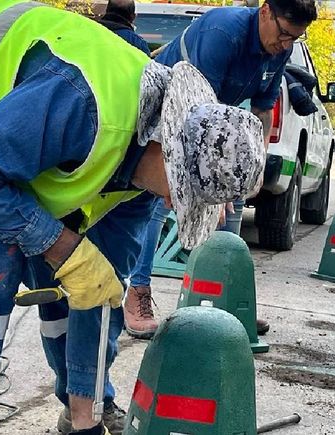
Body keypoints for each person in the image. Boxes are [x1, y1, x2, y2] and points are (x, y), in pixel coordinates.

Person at [0, 1, 264, 434]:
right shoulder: (84, 104)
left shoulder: (143, 184)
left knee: (76, 270)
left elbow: (97, 288)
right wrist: (59, 243)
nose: (173, 206)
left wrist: (87, 419)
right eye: (182, 193)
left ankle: (78, 407)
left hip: (9, 99)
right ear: (166, 150)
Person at [125, 0, 318, 339]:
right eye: (284, 34)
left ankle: (225, 300)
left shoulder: (280, 49)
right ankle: (136, 294)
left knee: (234, 201)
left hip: (209, 119)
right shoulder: (223, 32)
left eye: (294, 39)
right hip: (166, 111)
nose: (286, 45)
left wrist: (253, 167)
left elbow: (261, 111)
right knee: (158, 202)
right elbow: (192, 108)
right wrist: (208, 181)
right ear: (265, 11)